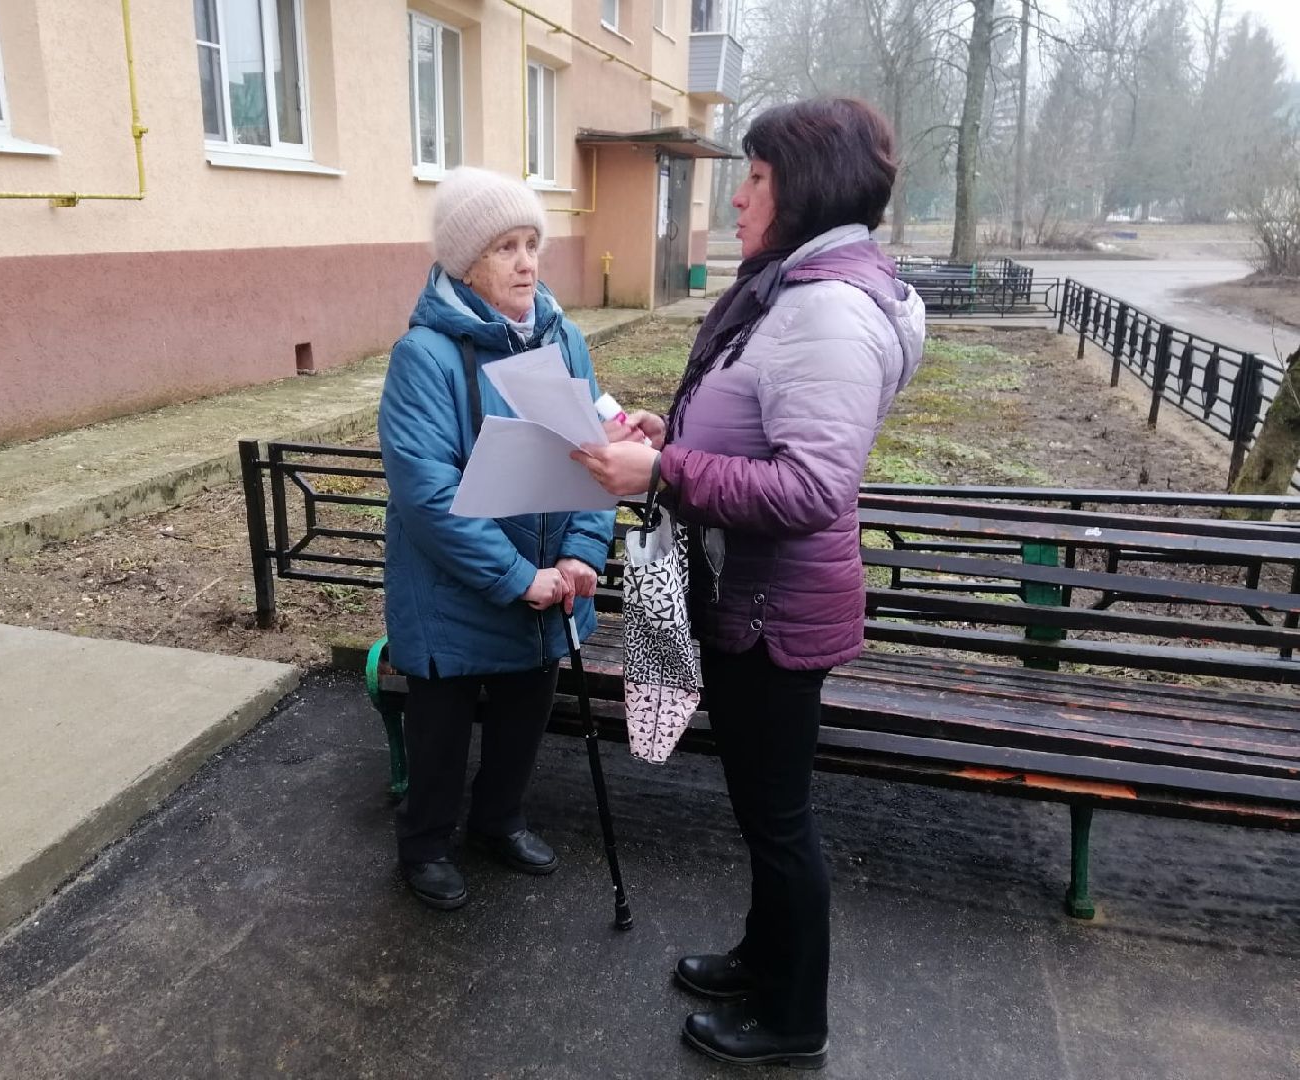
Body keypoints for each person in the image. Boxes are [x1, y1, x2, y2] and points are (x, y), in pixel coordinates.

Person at [573, 98, 925, 1069]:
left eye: (756, 177)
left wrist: (666, 474)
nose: (736, 197)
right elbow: (760, 426)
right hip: (744, 597)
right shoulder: (795, 288)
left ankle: (791, 1020)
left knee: (776, 820)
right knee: (759, 808)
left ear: (801, 187)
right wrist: (672, 438)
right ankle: (759, 958)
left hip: (774, 613)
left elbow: (812, 486)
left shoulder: (825, 309)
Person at [379, 167, 615, 912]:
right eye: (504, 248)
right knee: (441, 736)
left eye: (530, 244)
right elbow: (429, 494)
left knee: (522, 720)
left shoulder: (561, 337)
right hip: (455, 594)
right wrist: (517, 576)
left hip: (549, 581)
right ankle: (424, 845)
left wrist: (580, 553)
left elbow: (594, 455)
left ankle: (498, 822)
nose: (525, 262)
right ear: (463, 263)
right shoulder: (426, 357)